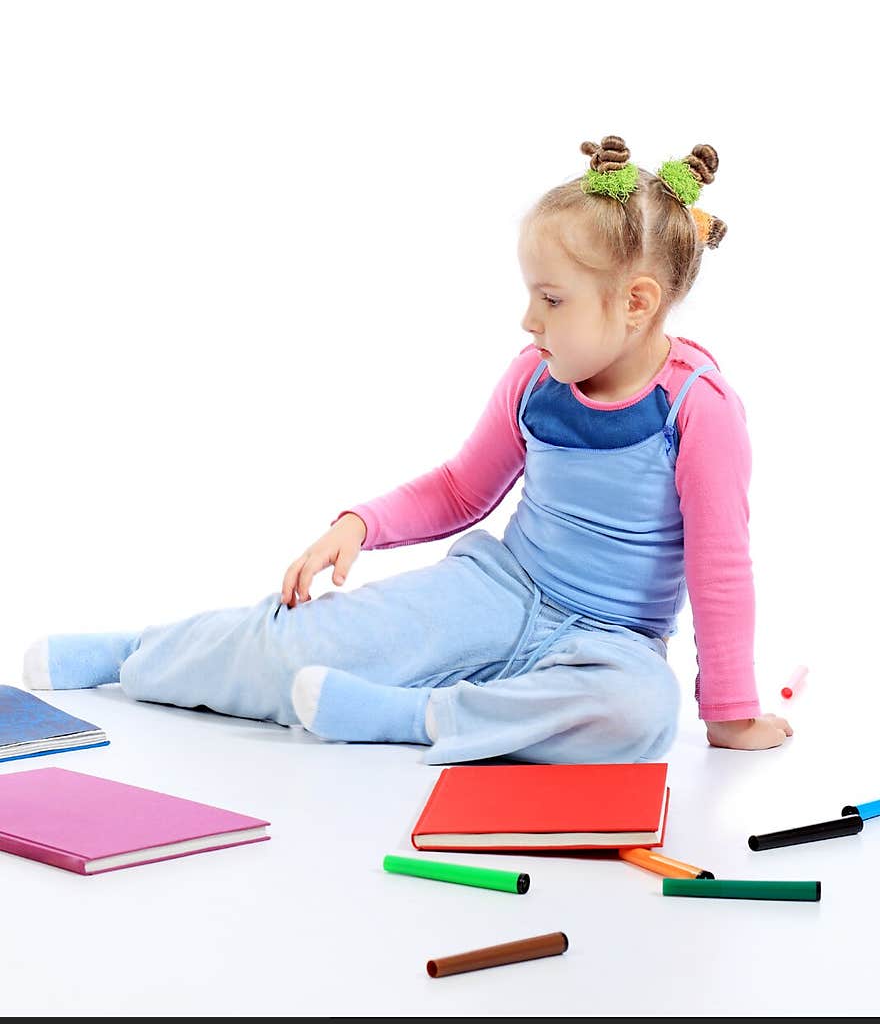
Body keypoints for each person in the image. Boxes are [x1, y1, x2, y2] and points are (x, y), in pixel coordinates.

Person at [23, 135, 792, 764]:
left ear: (635, 303)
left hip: (613, 640)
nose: (528, 319)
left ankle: (413, 715)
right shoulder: (535, 378)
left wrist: (729, 711)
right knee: (303, 644)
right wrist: (359, 523)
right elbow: (464, 488)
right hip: (499, 591)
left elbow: (720, 565)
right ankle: (139, 653)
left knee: (640, 716)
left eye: (551, 299)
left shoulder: (699, 409)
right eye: (531, 294)